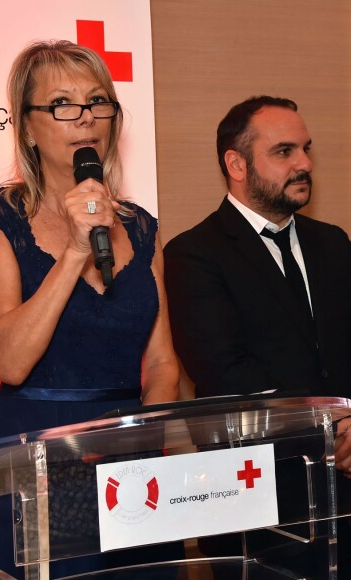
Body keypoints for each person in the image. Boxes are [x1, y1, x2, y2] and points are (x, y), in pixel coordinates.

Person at [0, 40, 183, 579]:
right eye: (62, 104)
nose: (86, 119)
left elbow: (162, 364)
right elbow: (9, 360)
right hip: (36, 456)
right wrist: (77, 249)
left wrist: (138, 439)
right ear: (27, 126)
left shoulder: (142, 225)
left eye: (98, 101)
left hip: (131, 465)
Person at [163, 95, 351, 577]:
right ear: (236, 164)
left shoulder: (333, 242)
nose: (305, 163)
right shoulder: (193, 255)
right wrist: (335, 434)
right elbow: (228, 379)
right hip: (260, 511)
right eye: (284, 152)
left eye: (306, 149)